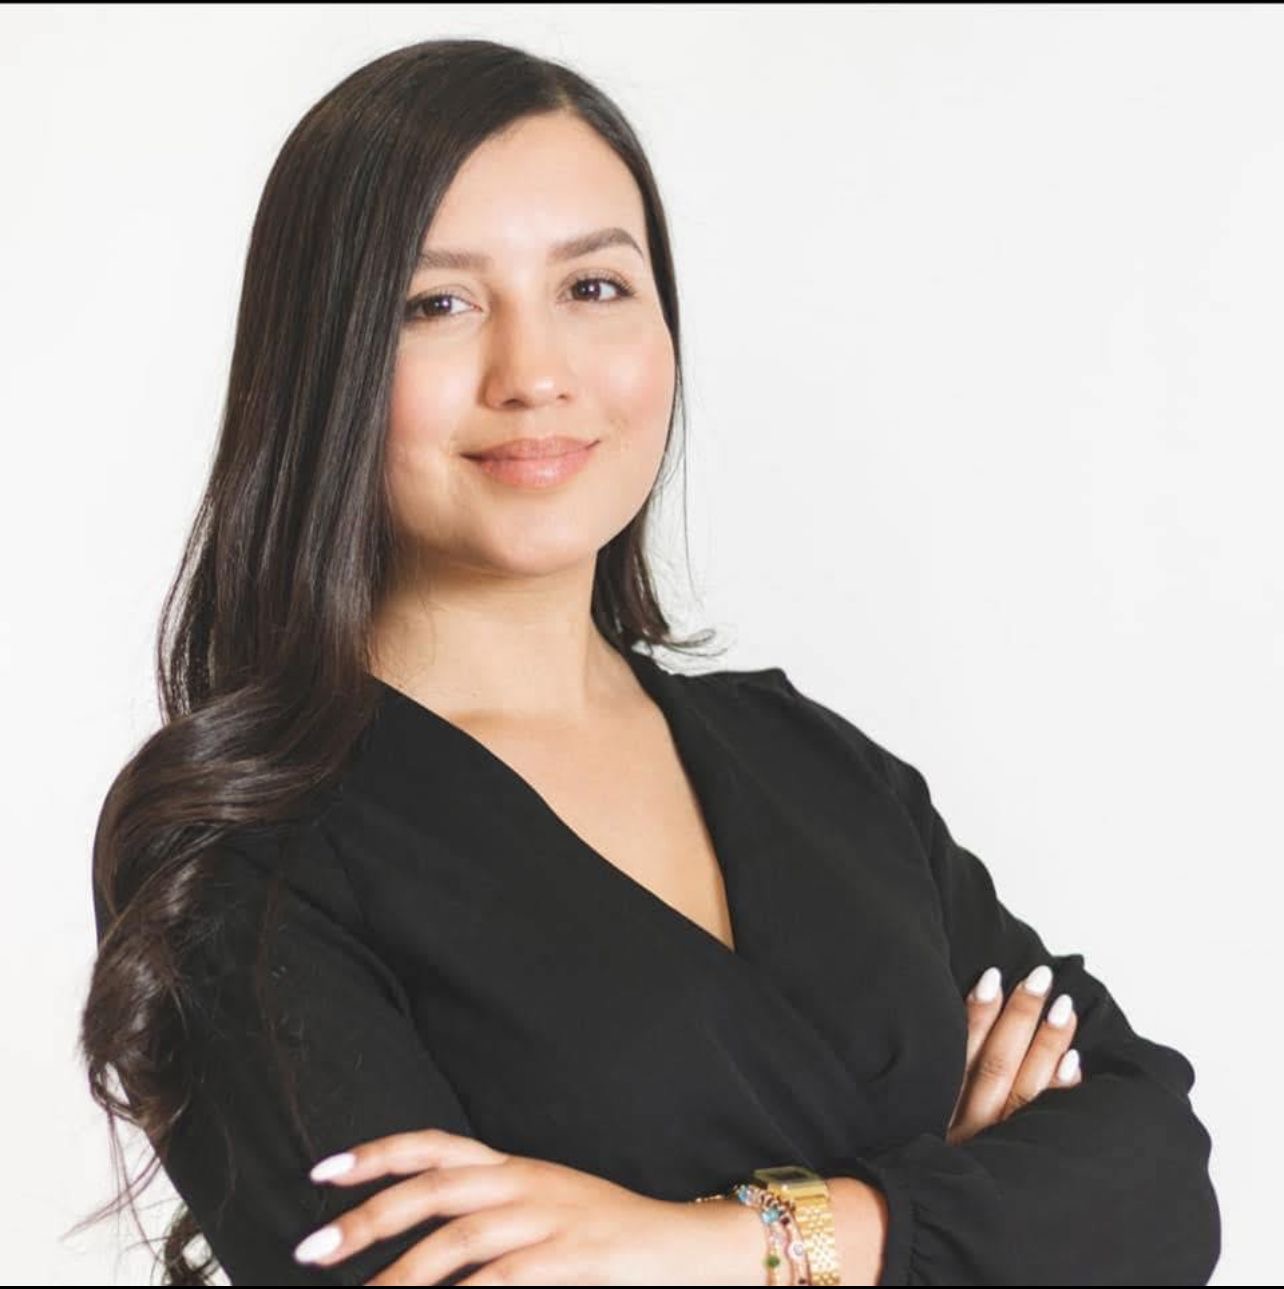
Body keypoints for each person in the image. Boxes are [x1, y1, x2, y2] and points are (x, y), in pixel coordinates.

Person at [78, 38, 1221, 1287]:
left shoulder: (810, 761)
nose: (536, 375)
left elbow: (1157, 1182)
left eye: (594, 286)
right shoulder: (243, 843)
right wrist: (975, 1211)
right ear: (323, 358)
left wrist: (721, 1241)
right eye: (437, 303)